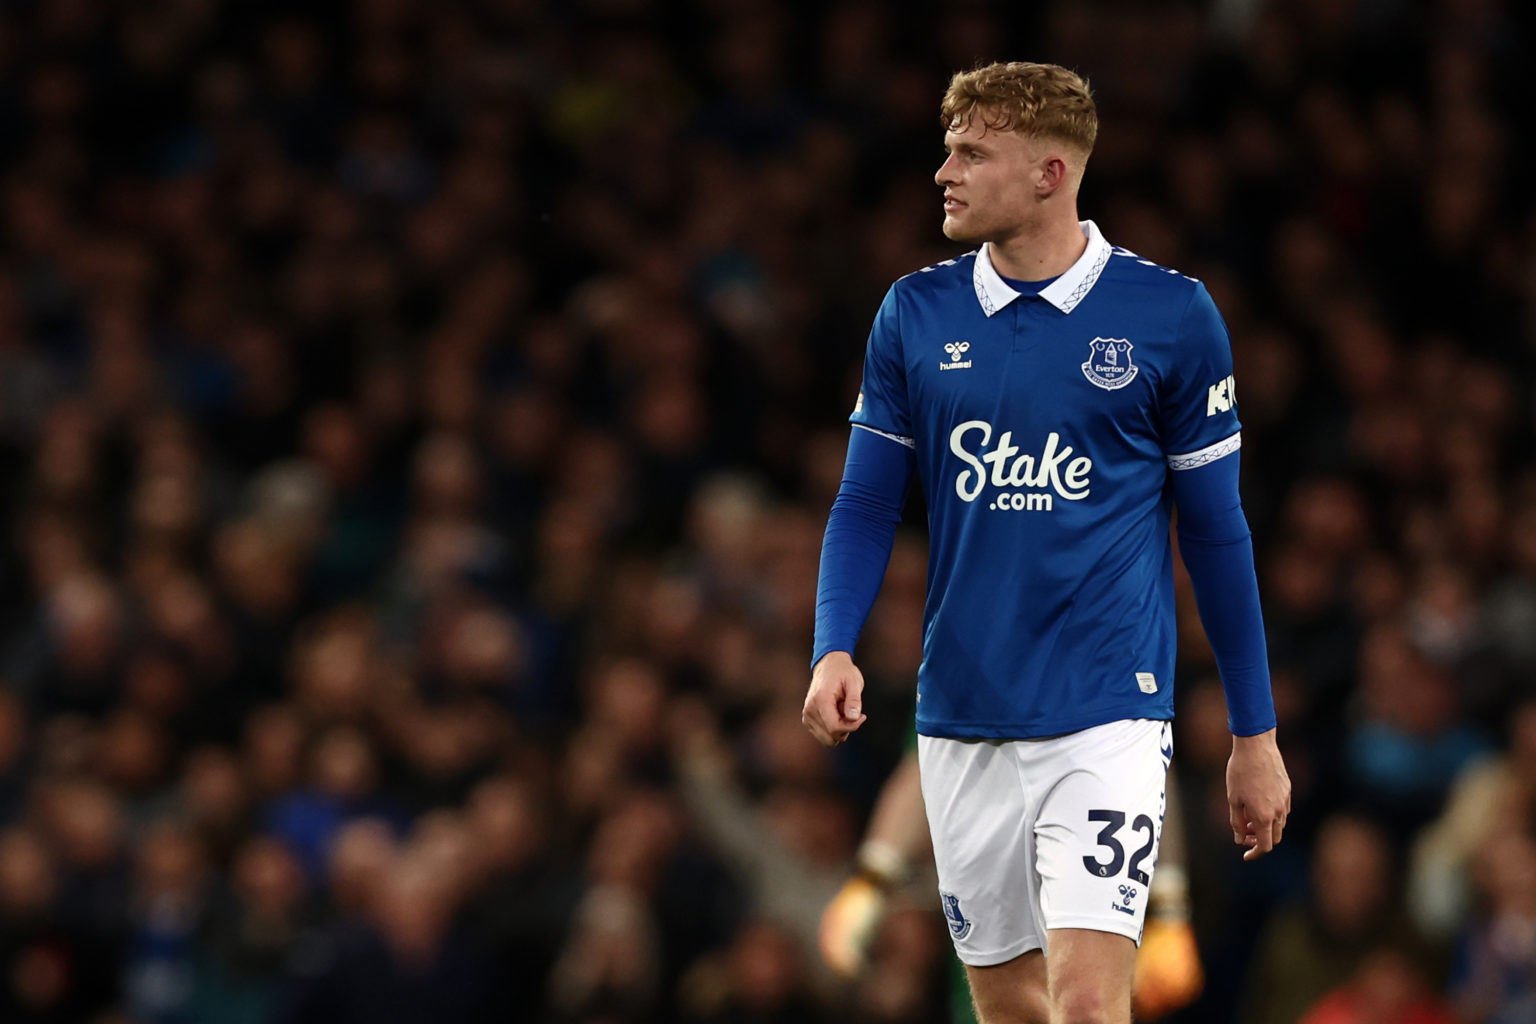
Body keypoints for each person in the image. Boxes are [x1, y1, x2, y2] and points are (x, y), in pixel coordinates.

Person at [801, 61, 1290, 1024]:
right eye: (948, 148)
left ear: (1050, 173)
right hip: (962, 714)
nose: (944, 171)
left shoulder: (1171, 319)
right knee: (1010, 1009)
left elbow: (1218, 534)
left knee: (1086, 1003)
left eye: (972, 152)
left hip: (1108, 712)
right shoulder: (915, 314)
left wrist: (1254, 733)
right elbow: (864, 503)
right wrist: (832, 643)